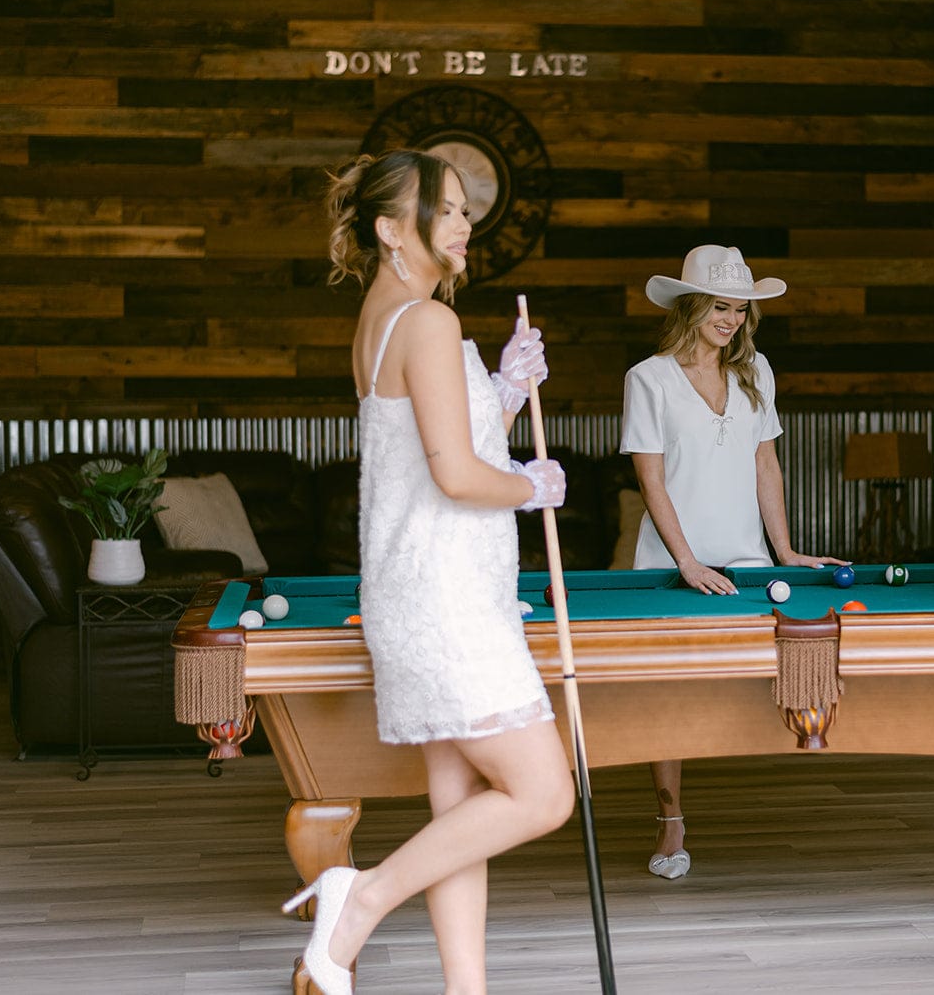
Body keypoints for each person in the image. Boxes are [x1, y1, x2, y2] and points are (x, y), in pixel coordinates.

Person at [283, 149, 575, 995]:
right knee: (542, 794)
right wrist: (533, 485)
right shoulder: (430, 322)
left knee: (461, 816)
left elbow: (433, 446)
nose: (463, 223)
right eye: (444, 210)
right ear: (390, 228)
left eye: (463, 211)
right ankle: (359, 896)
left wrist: (504, 390)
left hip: (418, 595)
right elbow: (456, 476)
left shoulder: (388, 318)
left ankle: (465, 990)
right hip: (448, 604)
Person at [620, 244, 846, 879]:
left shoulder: (757, 372)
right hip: (671, 567)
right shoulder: (649, 378)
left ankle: (812, 788)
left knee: (801, 662)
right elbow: (652, 481)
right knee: (668, 700)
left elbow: (764, 464)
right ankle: (671, 823)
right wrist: (686, 561)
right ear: (692, 307)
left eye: (741, 310)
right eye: (720, 307)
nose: (732, 320)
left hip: (748, 561)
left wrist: (787, 552)